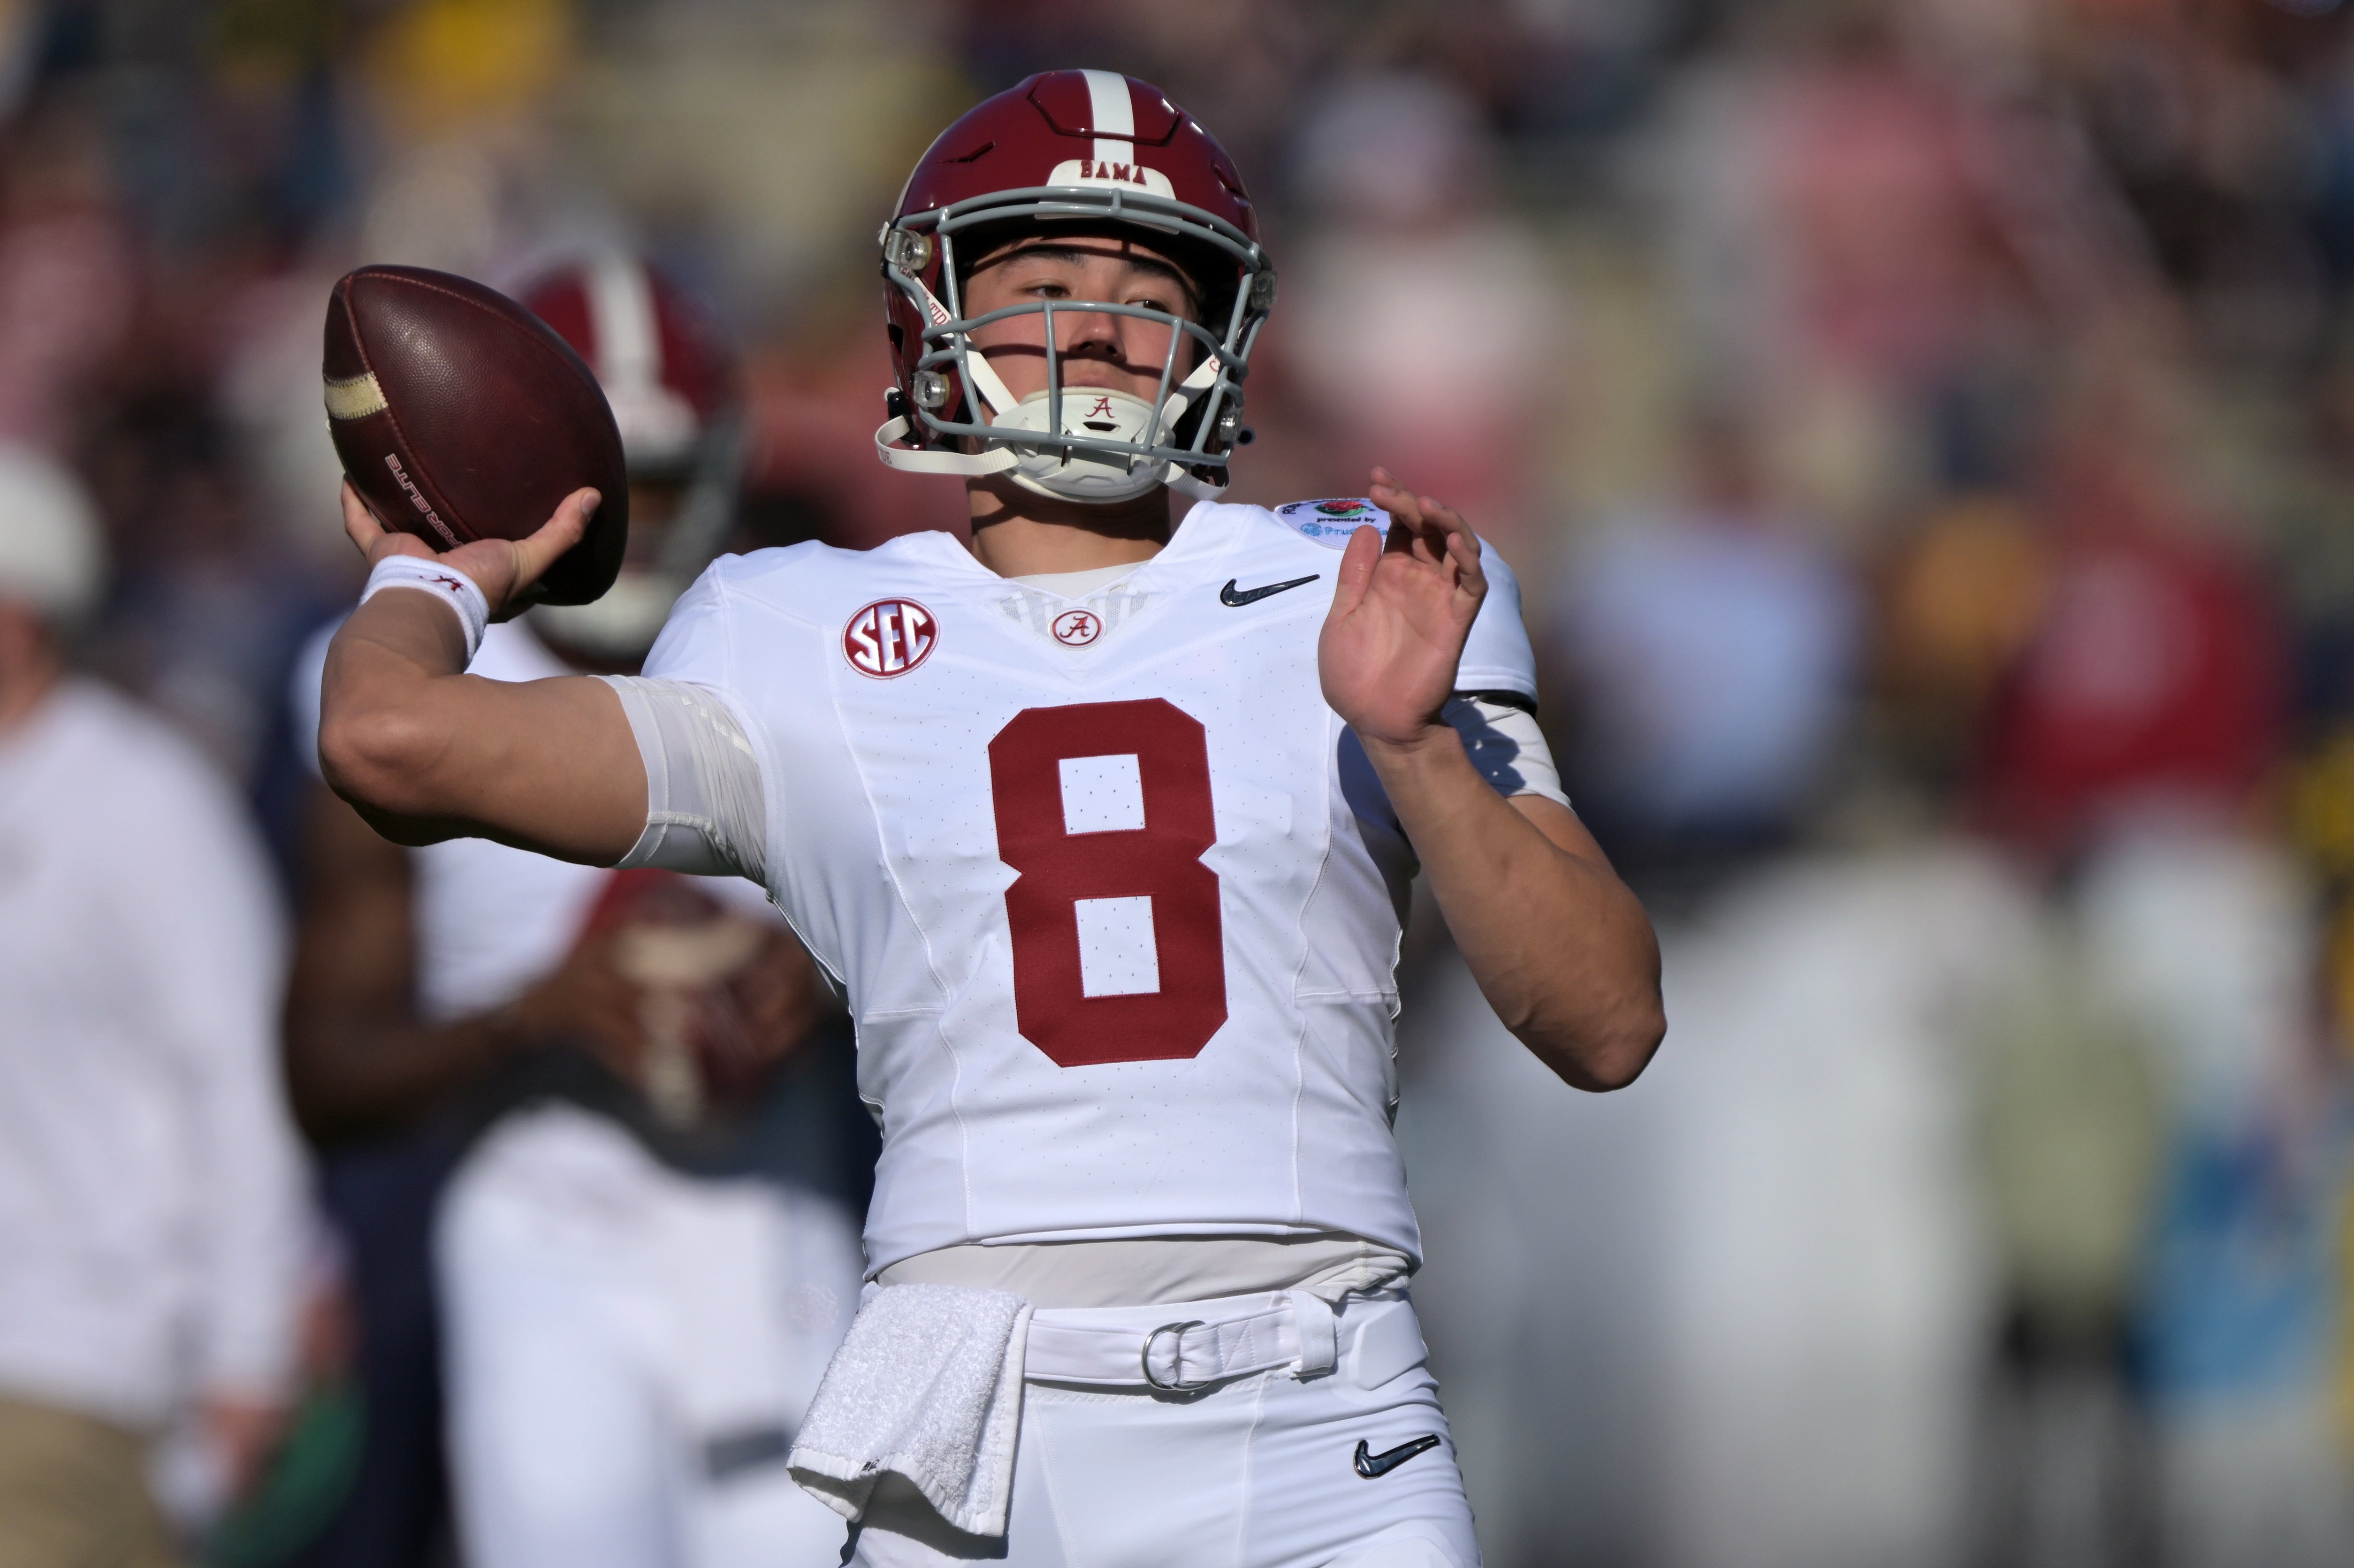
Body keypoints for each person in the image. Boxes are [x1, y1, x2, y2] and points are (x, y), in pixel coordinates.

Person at [313, 73, 1663, 1568]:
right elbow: (388, 739)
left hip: (1322, 1397)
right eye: (1043, 279)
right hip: (979, 1422)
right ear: (934, 308)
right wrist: (442, 566)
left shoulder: (1363, 583)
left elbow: (1603, 1022)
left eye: (1149, 282)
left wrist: (1411, 746)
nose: (1095, 324)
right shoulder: (796, 627)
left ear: (1221, 325)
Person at [283, 256, 865, 1568]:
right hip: (542, 1229)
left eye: (659, 486)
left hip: (781, 1216)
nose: (633, 527)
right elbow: (324, 1073)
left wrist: (841, 966)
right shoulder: (416, 691)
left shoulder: (816, 642)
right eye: (601, 494)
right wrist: (529, 1017)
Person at [0, 446, 309, 1565]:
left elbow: (240, 1080)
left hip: (74, 1374)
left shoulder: (143, 805)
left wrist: (250, 1346)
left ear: (20, 617)